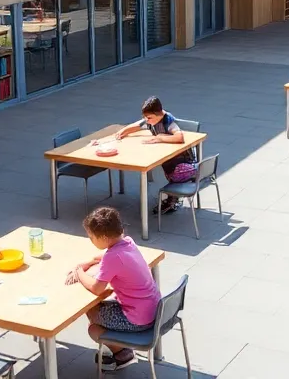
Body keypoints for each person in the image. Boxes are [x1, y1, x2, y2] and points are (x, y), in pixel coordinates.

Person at [68, 206, 161, 373]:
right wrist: (89, 262)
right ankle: (120, 347)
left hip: (137, 320)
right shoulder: (127, 243)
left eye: (91, 237)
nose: (90, 240)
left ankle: (122, 354)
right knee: (101, 307)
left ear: (103, 237)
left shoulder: (113, 257)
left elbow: (97, 288)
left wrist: (79, 271)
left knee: (93, 325)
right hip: (154, 311)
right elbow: (103, 257)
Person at [115, 97, 196, 214]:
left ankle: (171, 199)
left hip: (183, 164)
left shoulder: (168, 121)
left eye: (149, 118)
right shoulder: (151, 120)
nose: (146, 120)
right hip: (169, 159)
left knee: (162, 171)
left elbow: (179, 137)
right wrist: (123, 131)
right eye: (145, 117)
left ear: (159, 114)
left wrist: (159, 138)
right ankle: (169, 197)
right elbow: (138, 125)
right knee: (159, 167)